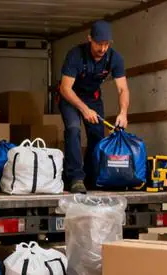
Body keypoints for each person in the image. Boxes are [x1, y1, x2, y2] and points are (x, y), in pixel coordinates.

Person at [58, 20, 130, 193]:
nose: (103, 49)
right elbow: (64, 88)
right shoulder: (76, 55)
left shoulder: (114, 58)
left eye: (106, 44)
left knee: (97, 135)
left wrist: (123, 112)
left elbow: (123, 89)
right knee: (74, 129)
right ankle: (75, 177)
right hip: (70, 97)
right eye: (99, 44)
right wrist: (84, 109)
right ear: (90, 38)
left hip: (93, 99)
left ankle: (91, 177)